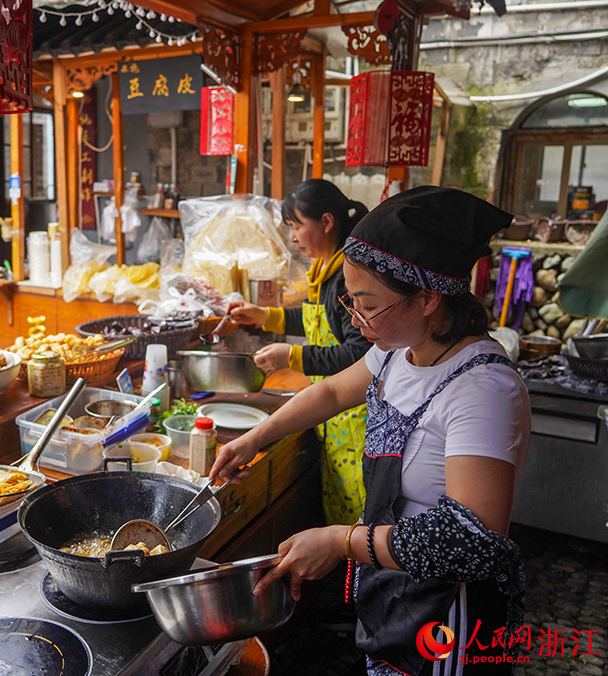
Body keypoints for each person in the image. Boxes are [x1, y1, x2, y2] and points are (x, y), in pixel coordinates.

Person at [211, 187, 530, 675]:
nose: (357, 319)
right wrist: (255, 439)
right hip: (394, 593)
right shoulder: (397, 350)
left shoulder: (482, 388)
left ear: (426, 298)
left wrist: (342, 541)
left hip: (449, 624)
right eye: (351, 300)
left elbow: (473, 541)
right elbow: (333, 393)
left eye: (368, 304)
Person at [228, 179, 370, 526]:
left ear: (326, 221)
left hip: (355, 418)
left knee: (356, 518)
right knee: (339, 510)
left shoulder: (347, 279)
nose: (292, 238)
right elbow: (313, 319)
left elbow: (358, 354)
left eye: (296, 227)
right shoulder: (326, 269)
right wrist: (266, 316)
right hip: (333, 414)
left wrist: (291, 357)